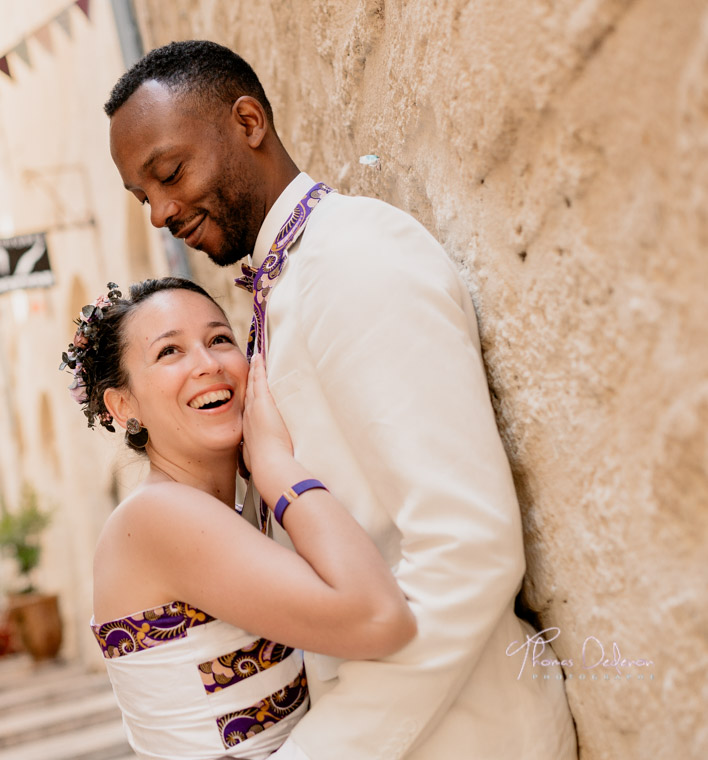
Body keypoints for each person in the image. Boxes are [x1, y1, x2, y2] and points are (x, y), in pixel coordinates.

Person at [103, 41, 576, 759]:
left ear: (249, 121)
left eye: (169, 174)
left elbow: (468, 549)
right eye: (144, 197)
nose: (162, 213)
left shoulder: (352, 261)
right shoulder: (281, 290)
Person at [61, 277, 416, 759]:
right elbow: (380, 619)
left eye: (219, 339)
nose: (207, 365)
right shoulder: (157, 516)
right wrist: (275, 465)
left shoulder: (231, 512)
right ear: (124, 407)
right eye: (170, 353)